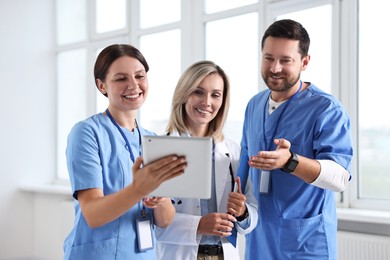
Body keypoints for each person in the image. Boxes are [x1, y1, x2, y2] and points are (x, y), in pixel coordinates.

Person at [240, 19, 353, 259]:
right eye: (269, 58)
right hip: (259, 238)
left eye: (285, 60)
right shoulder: (254, 105)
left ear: (305, 62)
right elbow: (243, 167)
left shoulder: (326, 109)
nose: (275, 68)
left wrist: (290, 161)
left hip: (305, 242)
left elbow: (340, 178)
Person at [63, 44, 188, 260]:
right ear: (102, 86)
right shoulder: (86, 133)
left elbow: (165, 220)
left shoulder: (153, 140)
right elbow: (92, 214)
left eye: (139, 76)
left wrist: (159, 201)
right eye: (121, 79)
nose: (133, 85)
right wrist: (139, 189)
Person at [155, 60, 258, 260]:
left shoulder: (233, 152)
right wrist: (199, 225)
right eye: (198, 92)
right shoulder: (161, 150)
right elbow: (151, 222)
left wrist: (243, 212)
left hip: (224, 254)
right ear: (184, 94)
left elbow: (252, 217)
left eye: (215, 95)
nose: (207, 102)